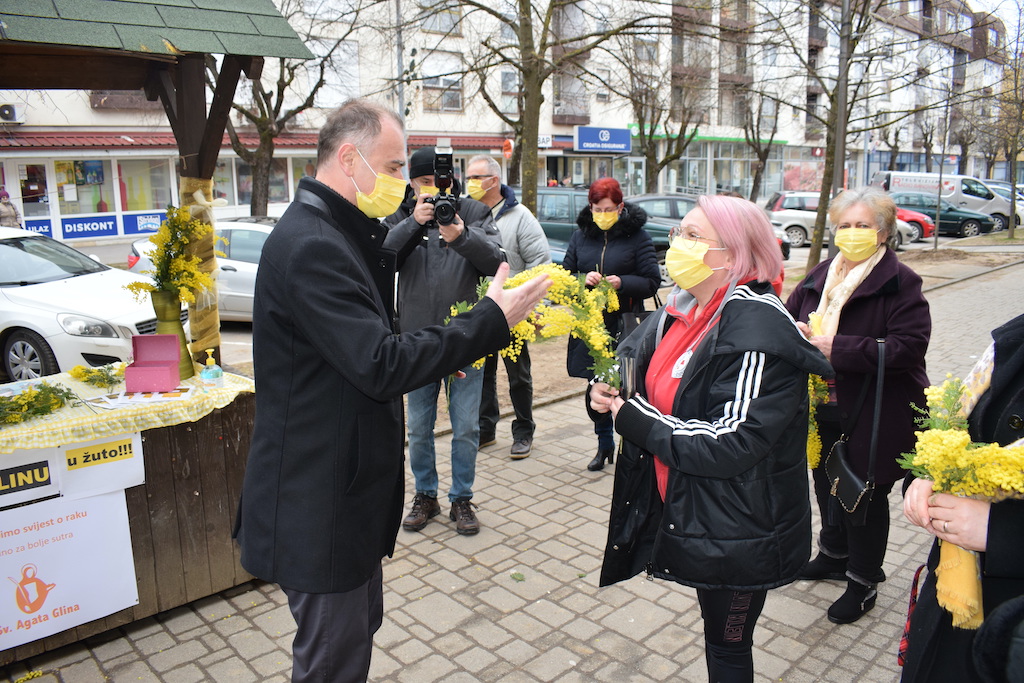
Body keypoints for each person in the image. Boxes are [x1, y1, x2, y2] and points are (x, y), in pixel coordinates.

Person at [234, 99, 551, 683]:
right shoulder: (312, 243)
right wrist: (489, 321)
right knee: (333, 664)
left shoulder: (337, 230)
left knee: (352, 643)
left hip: (342, 496)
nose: (403, 181)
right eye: (394, 166)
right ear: (348, 158)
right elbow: (379, 361)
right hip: (321, 505)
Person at [591, 195, 833, 682]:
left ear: (734, 254)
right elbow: (631, 367)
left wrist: (634, 419)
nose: (676, 244)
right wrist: (604, 389)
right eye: (678, 232)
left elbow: (732, 441)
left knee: (727, 646)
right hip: (700, 511)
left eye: (693, 236)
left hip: (743, 526)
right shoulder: (680, 309)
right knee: (715, 635)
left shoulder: (755, 327)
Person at [786, 186, 931, 624]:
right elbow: (788, 315)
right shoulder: (820, 275)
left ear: (883, 232)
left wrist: (839, 348)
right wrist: (792, 330)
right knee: (825, 485)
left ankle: (863, 580)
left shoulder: (900, 281)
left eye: (862, 225)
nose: (852, 233)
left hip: (874, 409)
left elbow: (910, 347)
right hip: (821, 405)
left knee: (862, 496)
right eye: (845, 225)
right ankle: (833, 555)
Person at [382, 148, 504, 536]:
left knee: (466, 427)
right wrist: (413, 223)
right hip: (416, 342)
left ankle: (461, 498)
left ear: (451, 180)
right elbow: (379, 259)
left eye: (437, 182)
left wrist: (462, 236)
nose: (432, 191)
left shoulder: (474, 212)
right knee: (419, 427)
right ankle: (425, 494)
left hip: (466, 339)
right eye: (423, 183)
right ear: (412, 183)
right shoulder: (400, 214)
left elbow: (498, 261)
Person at [901, 313, 1024, 682]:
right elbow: (960, 425)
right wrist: (926, 475)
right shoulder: (1012, 340)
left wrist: (1001, 532)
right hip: (953, 586)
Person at [563, 177, 660, 471]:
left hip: (626, 326)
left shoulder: (638, 237)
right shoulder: (580, 236)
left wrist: (622, 282)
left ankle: (631, 448)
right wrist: (583, 280)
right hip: (590, 326)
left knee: (627, 388)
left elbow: (652, 281)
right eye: (597, 209)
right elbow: (565, 277)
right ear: (590, 207)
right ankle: (604, 443)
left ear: (620, 207)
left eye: (609, 209)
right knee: (596, 387)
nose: (603, 214)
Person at [466, 154, 551, 459]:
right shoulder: (467, 213)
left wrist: (539, 306)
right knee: (483, 374)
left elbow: (540, 263)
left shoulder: (521, 217)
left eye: (475, 178)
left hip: (513, 311)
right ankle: (486, 429)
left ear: (493, 180)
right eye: (468, 177)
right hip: (479, 310)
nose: (469, 183)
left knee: (518, 374)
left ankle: (524, 430)